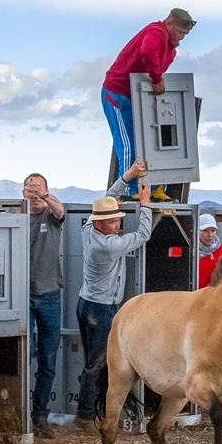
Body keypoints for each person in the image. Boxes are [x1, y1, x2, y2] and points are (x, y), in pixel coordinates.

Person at [74, 160, 153, 427]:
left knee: (91, 360)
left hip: (86, 303)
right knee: (97, 362)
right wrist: (145, 204)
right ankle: (86, 416)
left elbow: (109, 198)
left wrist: (127, 176)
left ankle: (88, 413)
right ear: (101, 225)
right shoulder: (108, 245)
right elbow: (143, 234)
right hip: (102, 309)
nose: (119, 223)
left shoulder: (88, 230)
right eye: (114, 221)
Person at [102, 8, 196, 202]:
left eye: (185, 34)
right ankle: (129, 192)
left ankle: (153, 187)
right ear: (169, 24)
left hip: (138, 98)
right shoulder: (156, 32)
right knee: (128, 145)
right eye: (180, 32)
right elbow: (147, 51)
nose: (181, 37)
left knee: (150, 144)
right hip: (118, 94)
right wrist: (156, 78)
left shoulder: (171, 50)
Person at [23, 173, 65, 439]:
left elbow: (61, 211)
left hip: (49, 294)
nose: (34, 193)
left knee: (48, 360)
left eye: (39, 188)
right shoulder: (15, 217)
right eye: (29, 188)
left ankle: (40, 416)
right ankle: (19, 413)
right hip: (21, 295)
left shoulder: (51, 216)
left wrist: (45, 196)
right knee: (21, 356)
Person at [197, 213, 222, 289]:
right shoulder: (187, 250)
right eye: (205, 231)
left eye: (213, 231)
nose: (210, 235)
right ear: (196, 230)